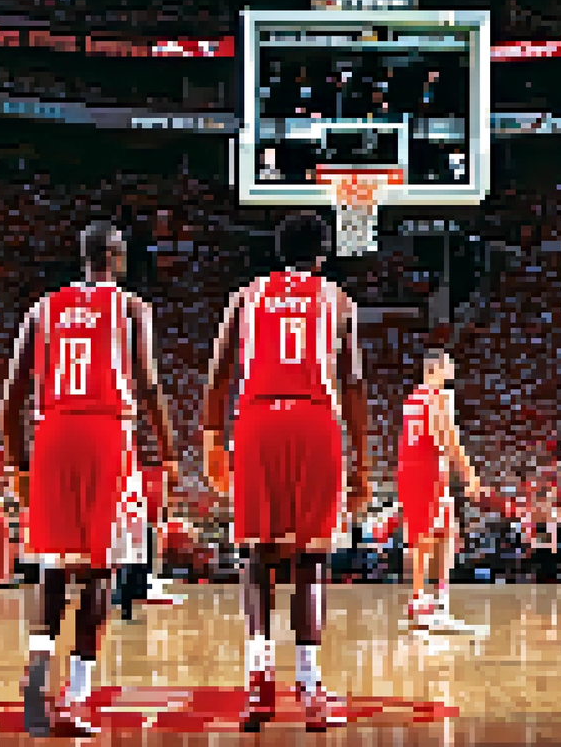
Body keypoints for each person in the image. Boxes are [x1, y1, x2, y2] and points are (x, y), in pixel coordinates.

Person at [1, 221, 176, 737]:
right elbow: (146, 382)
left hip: (52, 434)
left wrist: (19, 465)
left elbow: (12, 397)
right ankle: (75, 695)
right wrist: (166, 451)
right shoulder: (131, 308)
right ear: (118, 260)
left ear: (82, 258)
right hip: (107, 436)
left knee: (54, 571)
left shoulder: (43, 309)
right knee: (100, 571)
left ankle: (37, 680)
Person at [203, 212, 369, 733]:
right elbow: (355, 382)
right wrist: (362, 460)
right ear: (321, 255)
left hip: (256, 423)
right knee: (310, 558)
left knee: (256, 552)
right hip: (315, 420)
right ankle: (309, 682)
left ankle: (258, 678)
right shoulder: (338, 300)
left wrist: (211, 437)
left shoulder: (247, 295)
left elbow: (219, 370)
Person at [396, 348, 480, 629]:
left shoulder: (412, 399)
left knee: (443, 532)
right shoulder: (439, 397)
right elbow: (447, 438)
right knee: (426, 537)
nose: (452, 372)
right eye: (449, 367)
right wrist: (469, 473)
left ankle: (435, 600)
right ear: (435, 369)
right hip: (427, 470)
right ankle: (422, 602)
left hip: (413, 470)